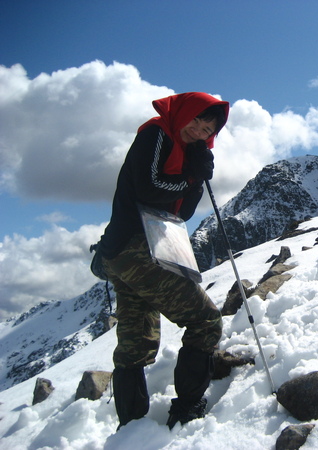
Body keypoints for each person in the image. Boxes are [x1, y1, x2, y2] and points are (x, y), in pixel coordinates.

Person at [96, 92, 229, 430]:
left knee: (135, 345)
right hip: (137, 248)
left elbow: (181, 212)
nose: (198, 130)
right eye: (196, 119)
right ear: (183, 112)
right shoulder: (156, 134)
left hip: (130, 253)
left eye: (207, 128)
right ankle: (186, 409)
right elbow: (148, 187)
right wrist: (189, 178)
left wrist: (196, 179)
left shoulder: (189, 152)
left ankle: (132, 429)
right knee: (206, 322)